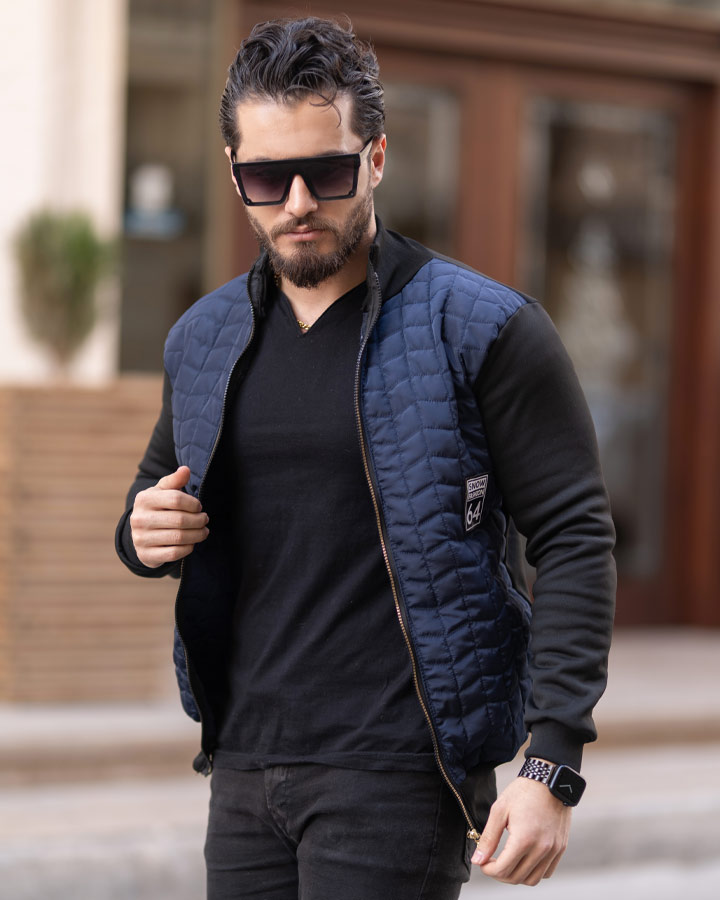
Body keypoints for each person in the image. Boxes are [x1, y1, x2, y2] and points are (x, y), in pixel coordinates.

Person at [116, 15, 615, 900]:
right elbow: (152, 505)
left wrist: (553, 763)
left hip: (398, 775)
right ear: (234, 173)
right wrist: (142, 532)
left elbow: (575, 536)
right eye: (267, 177)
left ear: (377, 158)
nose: (297, 202)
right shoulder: (204, 337)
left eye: (327, 172)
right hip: (243, 769)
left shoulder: (483, 329)